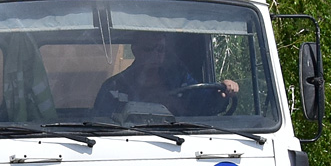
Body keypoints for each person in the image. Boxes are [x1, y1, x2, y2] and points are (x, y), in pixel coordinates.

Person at [92, 34, 238, 120]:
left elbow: (205, 101)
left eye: (161, 49)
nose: (156, 54)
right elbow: (100, 125)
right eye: (149, 49)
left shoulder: (179, 80)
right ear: (135, 50)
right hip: (128, 144)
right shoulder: (113, 87)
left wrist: (223, 91)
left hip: (177, 141)